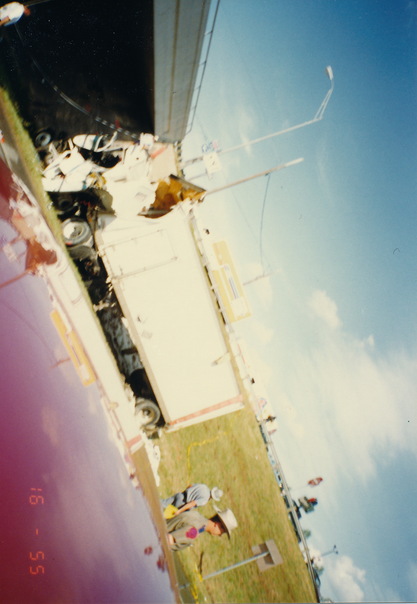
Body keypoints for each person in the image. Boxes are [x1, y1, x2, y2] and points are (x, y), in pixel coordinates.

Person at [166, 508, 237, 551]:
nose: (220, 535)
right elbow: (167, 540)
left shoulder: (197, 515)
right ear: (218, 525)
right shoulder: (194, 532)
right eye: (222, 532)